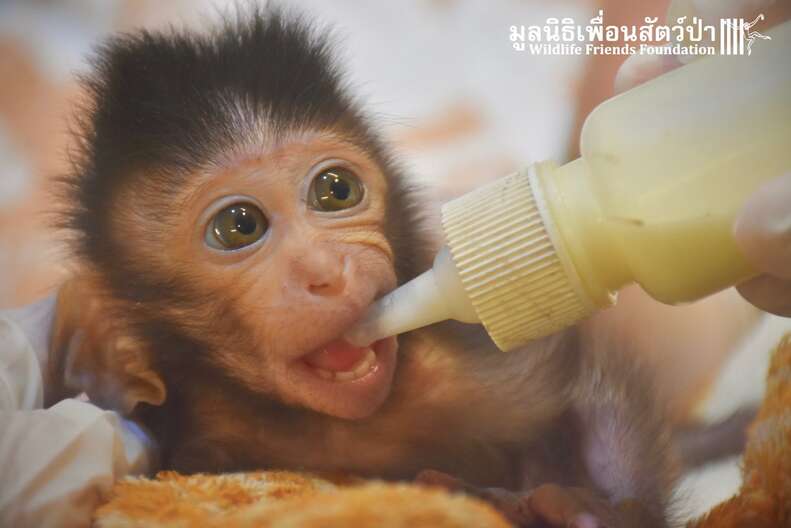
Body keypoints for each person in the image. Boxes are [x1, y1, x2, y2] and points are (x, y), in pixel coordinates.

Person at [0, 0, 786, 526]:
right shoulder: (125, 419)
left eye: (335, 188)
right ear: (127, 306)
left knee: (644, 271)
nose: (330, 267)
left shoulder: (452, 364)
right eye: (238, 226)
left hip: (626, 224)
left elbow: (590, 386)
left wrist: (617, 504)